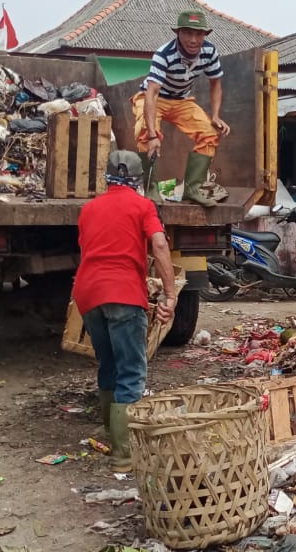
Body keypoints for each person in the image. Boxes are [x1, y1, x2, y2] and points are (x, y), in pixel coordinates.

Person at [73, 150, 177, 473]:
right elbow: (159, 245)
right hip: (123, 294)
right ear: (137, 180)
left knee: (109, 364)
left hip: (88, 294)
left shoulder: (88, 209)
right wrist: (170, 295)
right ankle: (124, 455)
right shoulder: (143, 206)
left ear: (107, 178)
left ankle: (111, 435)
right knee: (132, 371)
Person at [133, 8, 231, 207]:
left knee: (210, 133)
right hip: (153, 98)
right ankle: (151, 188)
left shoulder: (210, 52)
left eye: (199, 34)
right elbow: (152, 92)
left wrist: (216, 115)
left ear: (205, 35)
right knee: (145, 132)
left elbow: (216, 84)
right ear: (178, 33)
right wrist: (153, 135)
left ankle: (193, 189)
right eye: (187, 33)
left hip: (181, 101)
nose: (193, 40)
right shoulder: (164, 54)